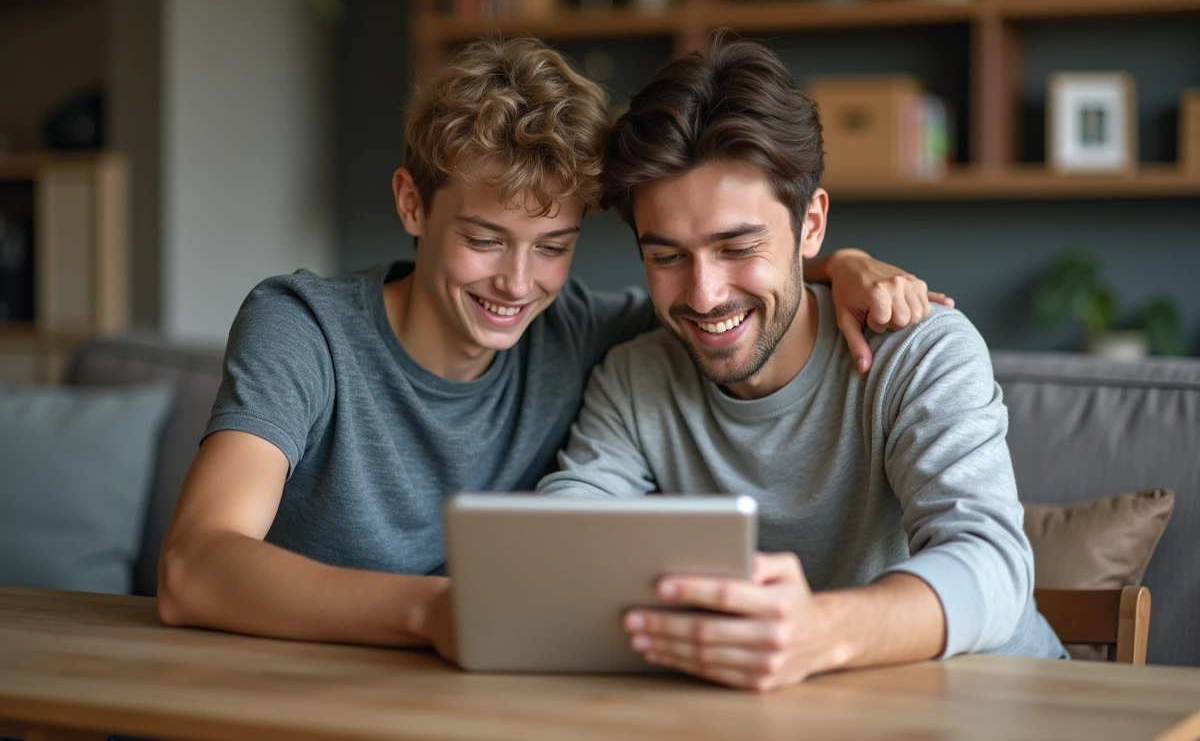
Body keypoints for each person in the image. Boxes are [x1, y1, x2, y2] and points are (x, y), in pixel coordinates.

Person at [156, 36, 949, 658]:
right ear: (411, 205)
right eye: (484, 239)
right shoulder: (304, 328)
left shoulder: (581, 332)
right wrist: (435, 612)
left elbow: (718, 300)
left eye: (553, 246)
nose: (518, 283)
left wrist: (836, 268)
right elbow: (194, 567)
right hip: (283, 691)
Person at [536, 34, 1066, 691]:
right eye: (667, 257)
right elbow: (562, 536)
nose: (703, 297)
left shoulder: (923, 351)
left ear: (811, 225)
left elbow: (991, 565)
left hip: (1003, 703)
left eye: (737, 248)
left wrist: (823, 628)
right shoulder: (636, 379)